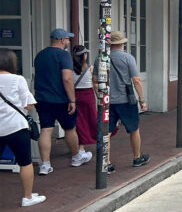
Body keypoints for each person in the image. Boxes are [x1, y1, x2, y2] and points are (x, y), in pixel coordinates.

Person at [34, 29, 91, 175]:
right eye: (67, 39)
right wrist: (72, 99)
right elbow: (67, 78)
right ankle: (76, 156)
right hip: (61, 99)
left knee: (46, 129)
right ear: (60, 40)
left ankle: (45, 164)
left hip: (42, 98)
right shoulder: (63, 55)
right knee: (70, 128)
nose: (68, 42)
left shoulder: (40, 55)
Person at [0, 49, 46, 207]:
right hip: (16, 127)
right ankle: (27, 197)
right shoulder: (17, 79)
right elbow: (28, 105)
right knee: (25, 162)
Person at [100, 31, 148, 174]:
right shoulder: (128, 58)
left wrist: (100, 96)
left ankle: (106, 163)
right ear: (121, 43)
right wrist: (142, 100)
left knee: (106, 132)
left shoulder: (101, 58)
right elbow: (137, 80)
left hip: (107, 101)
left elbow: (95, 80)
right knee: (133, 129)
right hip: (126, 100)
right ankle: (137, 157)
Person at [71, 45, 97, 155]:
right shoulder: (90, 68)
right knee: (91, 118)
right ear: (84, 55)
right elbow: (95, 84)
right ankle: (95, 139)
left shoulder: (70, 68)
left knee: (79, 122)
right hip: (88, 95)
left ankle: (79, 147)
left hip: (75, 95)